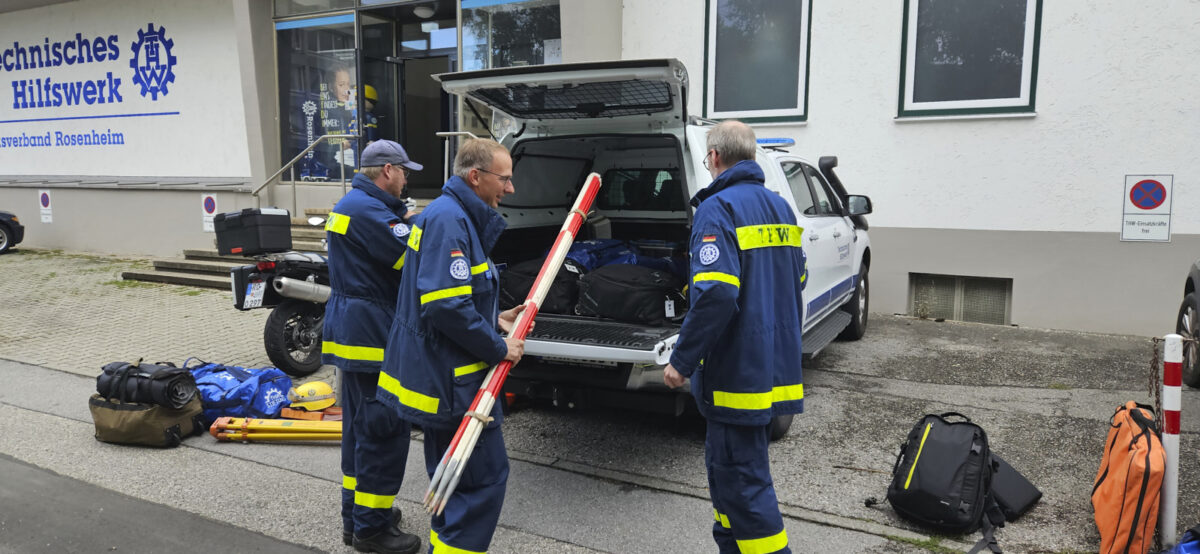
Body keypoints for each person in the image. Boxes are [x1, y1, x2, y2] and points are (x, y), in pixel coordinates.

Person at [663, 120, 807, 554]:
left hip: (734, 375)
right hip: (771, 366)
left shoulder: (717, 208)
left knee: (743, 484)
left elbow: (717, 294)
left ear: (714, 158)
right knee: (729, 481)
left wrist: (681, 360)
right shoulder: (781, 207)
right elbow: (797, 276)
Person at [377, 138, 526, 554]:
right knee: (479, 485)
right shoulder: (449, 221)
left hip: (449, 376)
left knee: (456, 487)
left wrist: (493, 317)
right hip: (454, 382)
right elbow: (445, 306)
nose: (510, 189)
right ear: (475, 177)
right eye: (505, 179)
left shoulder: (453, 215)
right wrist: (499, 348)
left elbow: (449, 296)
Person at [322, 140, 423, 554]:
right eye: (404, 172)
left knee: (359, 431)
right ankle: (372, 529)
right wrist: (421, 225)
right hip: (371, 334)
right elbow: (412, 258)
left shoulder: (355, 205)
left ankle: (357, 517)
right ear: (387, 170)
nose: (406, 180)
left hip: (353, 331)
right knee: (383, 430)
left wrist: (405, 216)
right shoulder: (368, 212)